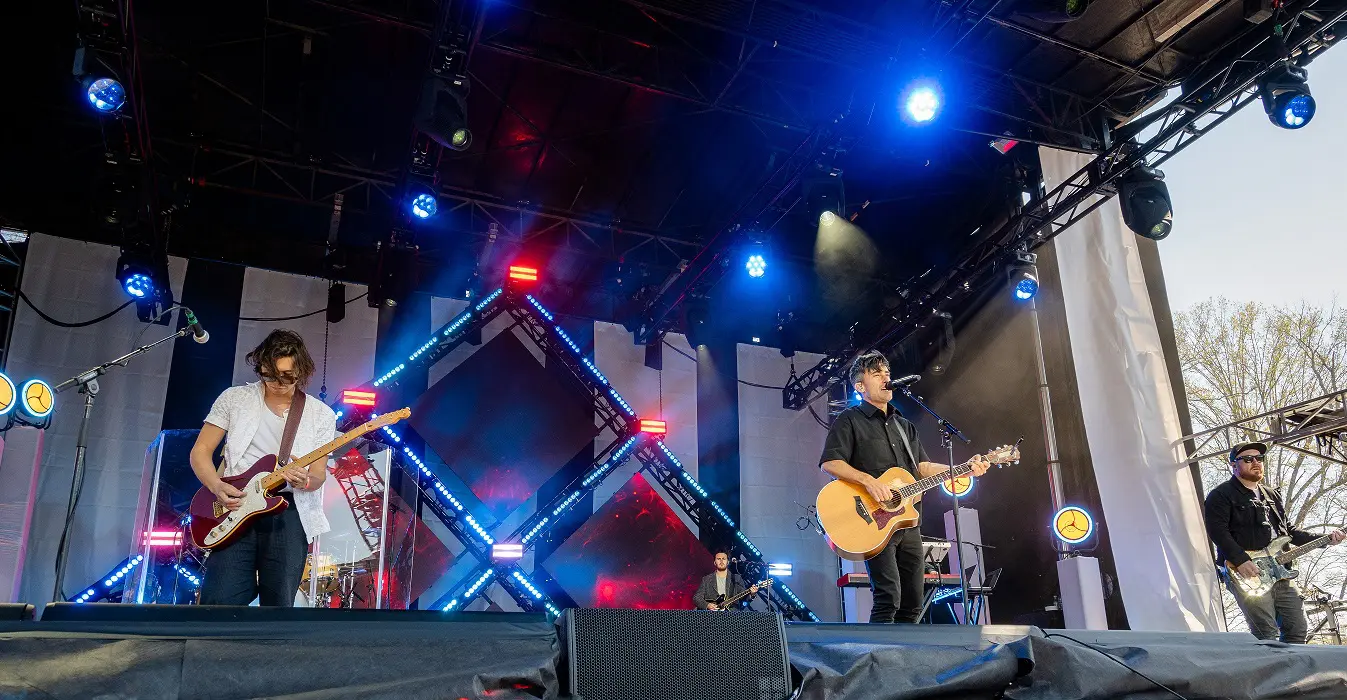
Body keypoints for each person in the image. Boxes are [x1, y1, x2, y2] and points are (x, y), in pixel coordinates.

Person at [819, 351, 990, 624]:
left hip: (907, 522)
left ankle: (903, 662)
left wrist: (963, 468)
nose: (886, 377)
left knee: (913, 599)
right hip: (873, 520)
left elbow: (922, 468)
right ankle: (878, 661)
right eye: (877, 374)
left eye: (887, 372)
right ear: (860, 386)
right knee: (889, 597)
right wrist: (869, 482)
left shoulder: (904, 425)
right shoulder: (850, 419)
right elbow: (830, 463)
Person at [191, 329, 336, 606]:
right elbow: (201, 451)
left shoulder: (321, 414)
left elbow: (318, 476)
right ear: (260, 367)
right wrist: (216, 485)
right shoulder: (234, 398)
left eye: (287, 376)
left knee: (278, 602)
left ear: (302, 371)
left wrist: (303, 480)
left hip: (287, 512)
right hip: (236, 504)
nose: (278, 383)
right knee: (218, 599)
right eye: (269, 375)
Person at [1204, 441, 1344, 643]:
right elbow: (1217, 531)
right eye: (1248, 459)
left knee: (1297, 629)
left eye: (1259, 458)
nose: (1256, 462)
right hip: (1246, 572)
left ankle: (1295, 674)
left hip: (1281, 572)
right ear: (1234, 465)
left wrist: (1326, 539)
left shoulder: (1272, 495)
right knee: (1266, 633)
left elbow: (1290, 532)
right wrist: (1241, 560)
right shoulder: (1221, 494)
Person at [693, 551, 759, 611]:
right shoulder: (706, 579)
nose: (721, 561)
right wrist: (707, 605)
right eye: (718, 559)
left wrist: (752, 594)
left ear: (727, 562)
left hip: (731, 618)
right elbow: (697, 598)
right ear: (714, 562)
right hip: (710, 618)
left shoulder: (736, 578)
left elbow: (744, 598)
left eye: (724, 559)